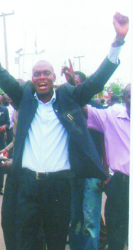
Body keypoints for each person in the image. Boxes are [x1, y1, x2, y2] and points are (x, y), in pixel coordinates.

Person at [0, 8, 128, 249]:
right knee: (26, 241)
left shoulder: (68, 97)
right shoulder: (25, 98)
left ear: (53, 78)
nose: (42, 77)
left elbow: (96, 82)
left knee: (56, 241)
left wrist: (118, 41)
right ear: (32, 78)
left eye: (47, 73)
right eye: (37, 73)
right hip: (27, 185)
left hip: (60, 186)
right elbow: (2, 75)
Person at [60, 63, 107, 250]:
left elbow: (104, 142)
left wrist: (106, 169)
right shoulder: (65, 109)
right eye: (72, 85)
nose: (74, 89)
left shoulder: (95, 109)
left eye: (78, 85)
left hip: (92, 172)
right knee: (75, 219)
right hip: (73, 172)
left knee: (91, 222)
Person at [85, 83, 130, 250]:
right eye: (131, 96)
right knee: (116, 238)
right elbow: (85, 110)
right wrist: (75, 87)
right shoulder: (112, 116)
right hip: (121, 185)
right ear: (125, 98)